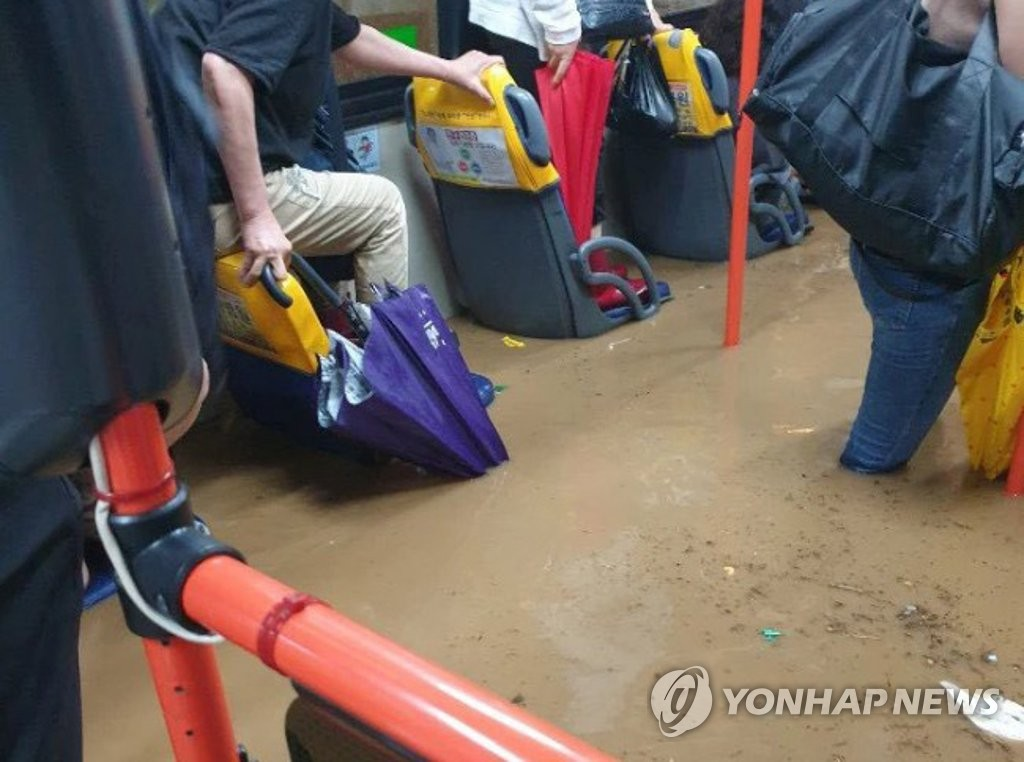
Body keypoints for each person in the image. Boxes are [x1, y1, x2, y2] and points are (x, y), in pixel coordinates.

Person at [155, 2, 501, 304]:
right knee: (383, 207)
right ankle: (390, 356)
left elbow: (350, 36)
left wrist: (449, 70)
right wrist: (256, 216)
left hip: (163, 194)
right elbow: (224, 71)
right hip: (208, 202)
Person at [840, 0, 1024, 473]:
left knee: (906, 375)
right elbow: (1020, 68)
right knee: (875, 458)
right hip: (936, 243)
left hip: (888, 197)